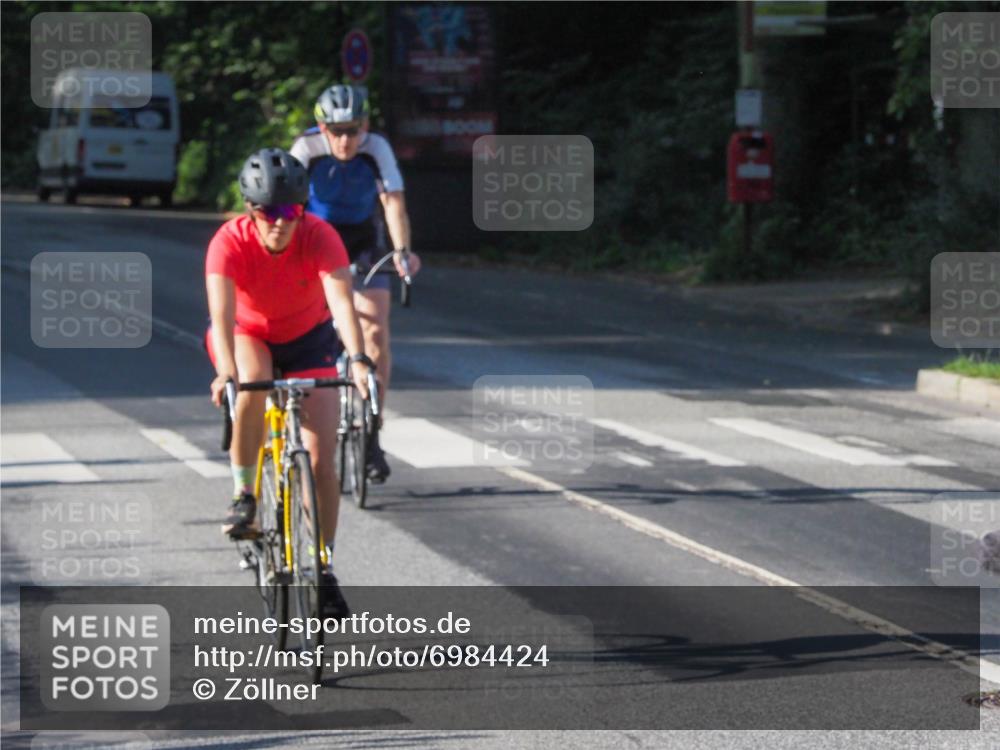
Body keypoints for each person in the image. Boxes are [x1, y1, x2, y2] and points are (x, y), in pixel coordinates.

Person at [204, 147, 374, 614]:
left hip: (308, 338)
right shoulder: (229, 241)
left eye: (292, 211)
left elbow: (342, 304)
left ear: (303, 209)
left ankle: (323, 567)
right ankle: (244, 495)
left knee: (322, 462)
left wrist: (358, 359)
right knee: (253, 380)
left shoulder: (320, 236)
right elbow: (220, 315)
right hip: (247, 335)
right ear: (251, 210)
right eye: (270, 211)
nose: (281, 222)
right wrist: (226, 371)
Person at [290, 84, 421, 483]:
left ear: (364, 126)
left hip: (364, 241)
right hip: (316, 240)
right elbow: (288, 204)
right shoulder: (307, 149)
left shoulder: (376, 148)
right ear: (321, 128)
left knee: (376, 328)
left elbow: (393, 202)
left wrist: (402, 251)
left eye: (353, 130)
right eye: (337, 131)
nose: (346, 140)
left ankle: (372, 434)